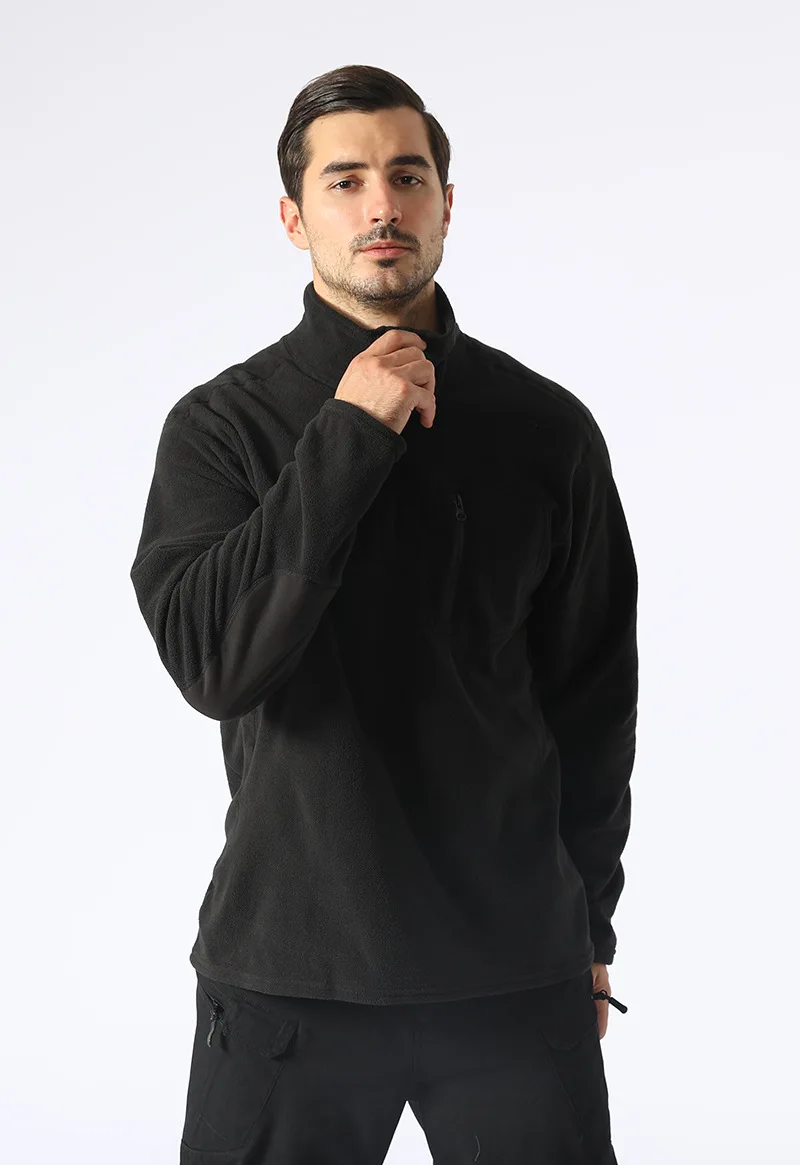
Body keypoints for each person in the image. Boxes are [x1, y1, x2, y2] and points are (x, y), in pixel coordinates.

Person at [130, 62, 638, 1165]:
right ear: (293, 217)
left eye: (407, 177)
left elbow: (593, 704)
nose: (381, 206)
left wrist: (589, 922)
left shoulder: (544, 428)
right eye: (345, 180)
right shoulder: (221, 429)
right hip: (289, 972)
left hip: (513, 972)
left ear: (445, 204)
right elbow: (217, 662)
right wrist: (351, 433)